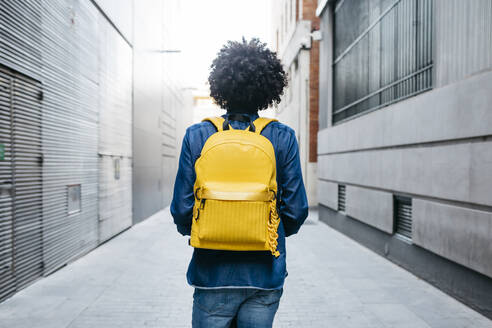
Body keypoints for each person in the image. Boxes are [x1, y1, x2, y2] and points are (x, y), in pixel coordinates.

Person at [171, 38, 308, 328]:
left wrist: (204, 231)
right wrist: (269, 234)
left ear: (221, 86)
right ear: (268, 88)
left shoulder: (198, 135)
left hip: (211, 273)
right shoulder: (282, 137)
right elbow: (296, 211)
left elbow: (181, 210)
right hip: (265, 274)